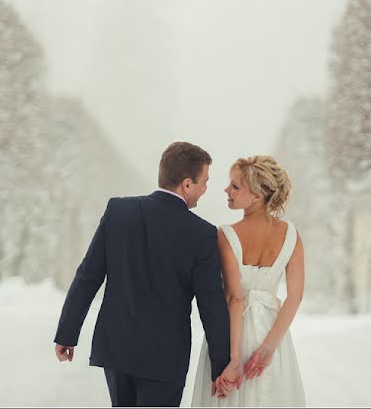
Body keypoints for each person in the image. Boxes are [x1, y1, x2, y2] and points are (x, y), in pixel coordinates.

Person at [53, 141, 243, 407]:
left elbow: (88, 275)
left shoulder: (118, 211)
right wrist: (222, 366)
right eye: (204, 182)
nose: (205, 190)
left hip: (117, 349)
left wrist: (66, 333)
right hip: (165, 359)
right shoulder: (202, 234)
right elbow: (210, 306)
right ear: (187, 184)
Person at [191, 155, 306, 407]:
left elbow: (235, 297)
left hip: (232, 333)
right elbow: (295, 296)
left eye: (235, 186)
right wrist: (268, 348)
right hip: (273, 334)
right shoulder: (291, 235)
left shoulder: (225, 235)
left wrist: (234, 359)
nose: (226, 190)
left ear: (256, 195)